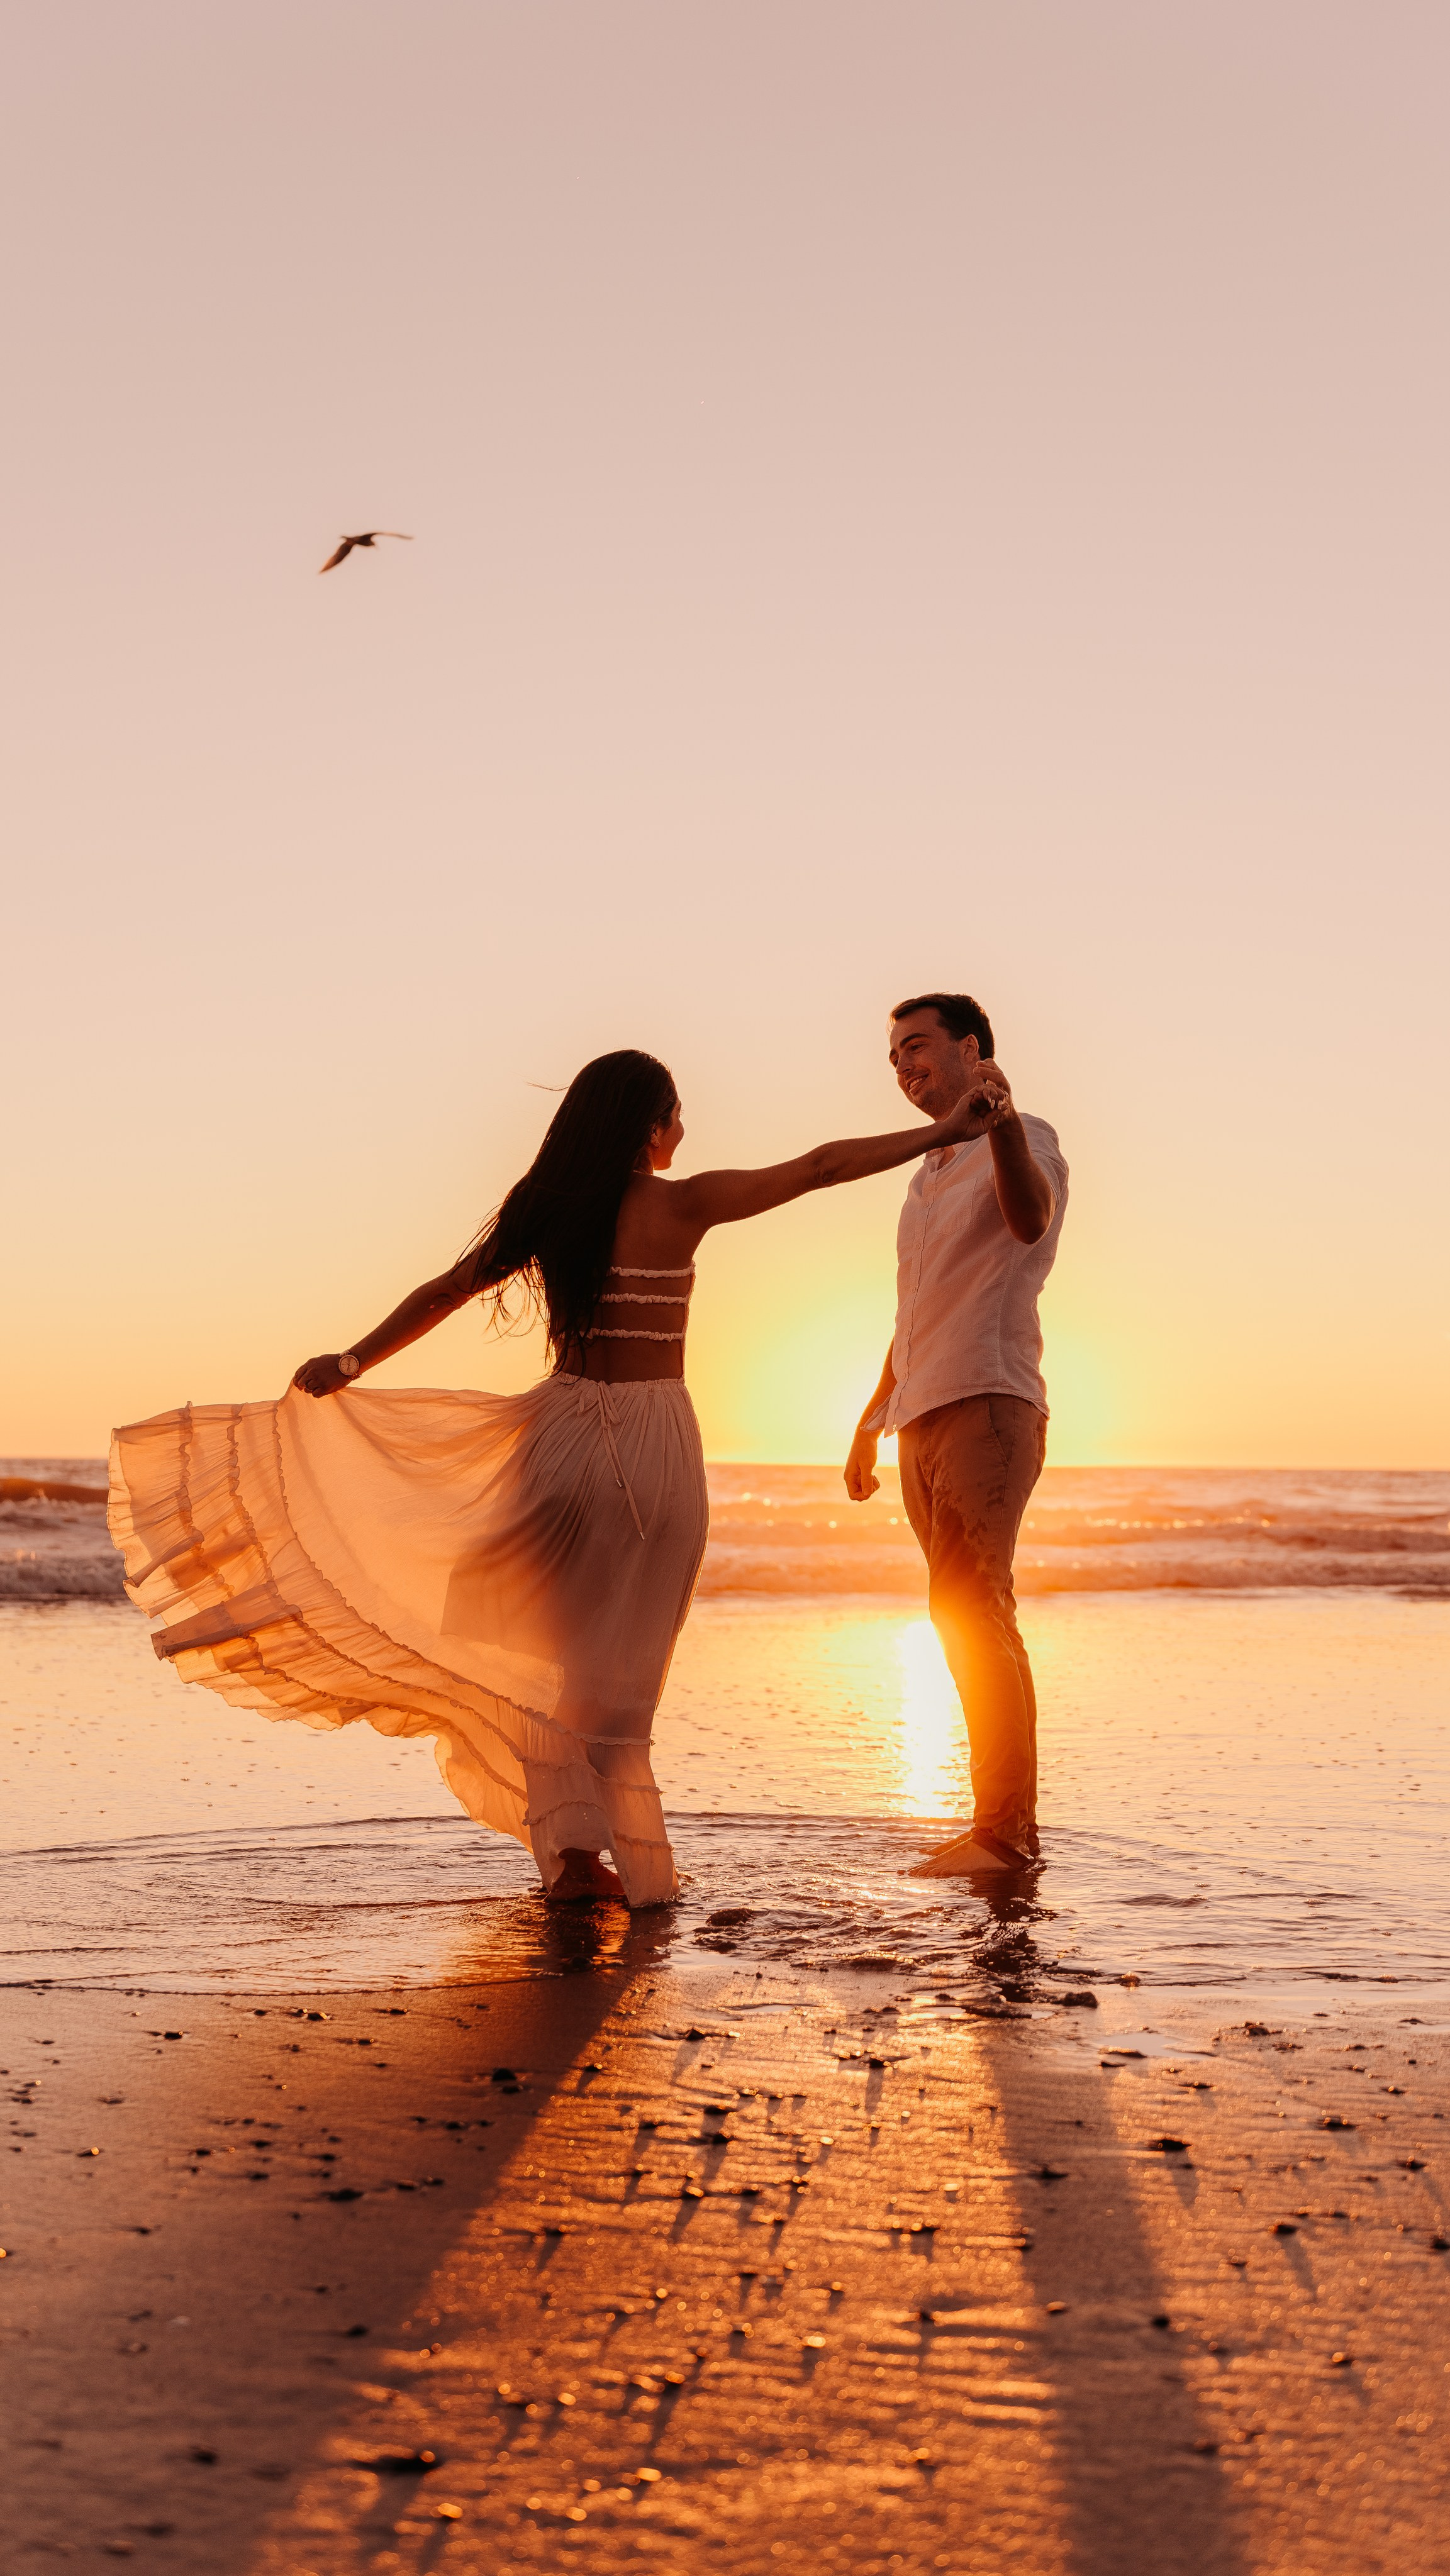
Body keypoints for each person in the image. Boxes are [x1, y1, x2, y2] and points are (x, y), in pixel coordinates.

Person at [109, 1048, 1004, 1909]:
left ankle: (575, 1860)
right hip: (655, 1446)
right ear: (651, 1125)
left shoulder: (547, 1206)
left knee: (546, 1663)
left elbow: (447, 1288)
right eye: (677, 1114)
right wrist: (938, 1134)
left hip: (562, 1439)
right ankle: (628, 1860)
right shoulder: (685, 1205)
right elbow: (818, 1167)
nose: (684, 1130)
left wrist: (352, 1360)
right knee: (625, 1678)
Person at [844, 994, 1068, 1874]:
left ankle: (1004, 1837)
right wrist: (870, 1418)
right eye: (893, 1055)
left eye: (917, 1047)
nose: (902, 1066)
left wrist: (1002, 1124)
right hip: (919, 1415)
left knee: (979, 1610)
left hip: (989, 1400)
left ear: (970, 1049)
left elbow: (1029, 1217)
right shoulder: (923, 1172)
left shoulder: (1029, 1135)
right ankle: (995, 1826)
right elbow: (912, 1310)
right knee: (951, 1615)